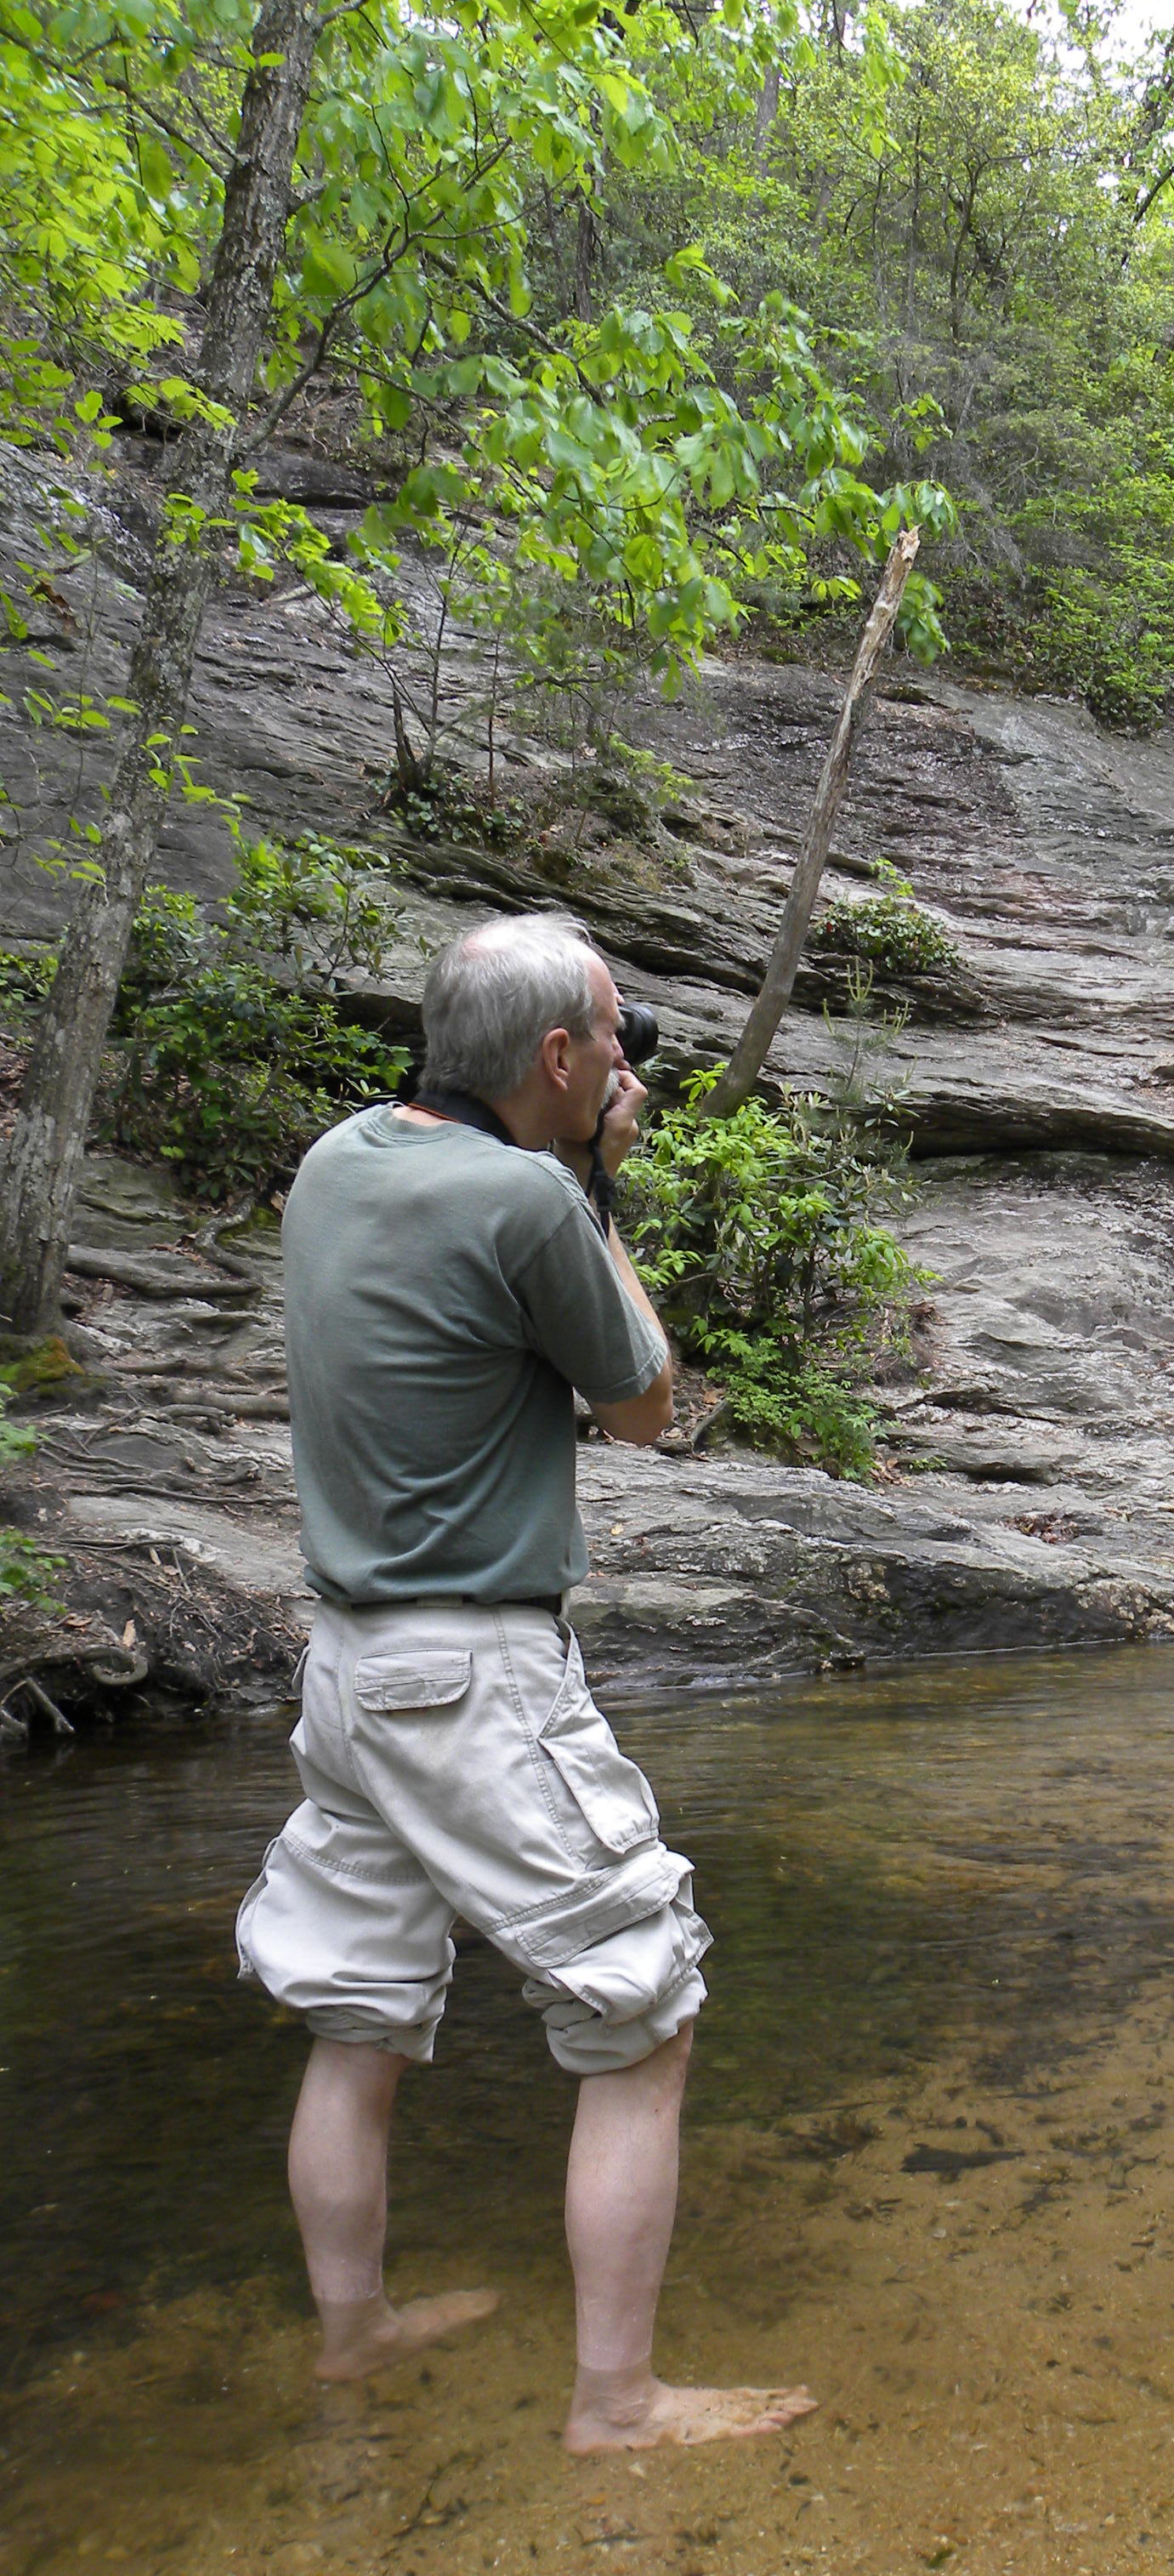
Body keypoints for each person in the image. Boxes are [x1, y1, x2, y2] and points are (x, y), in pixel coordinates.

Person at [236, 911, 814, 2454]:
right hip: (473, 1676)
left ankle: (352, 2339)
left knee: (356, 2015)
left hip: (349, 1670)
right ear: (555, 1059)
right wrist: (593, 1179)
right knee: (647, 2014)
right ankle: (616, 2407)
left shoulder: (338, 1160)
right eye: (614, 1041)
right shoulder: (528, 1199)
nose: (629, 1064)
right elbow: (643, 1403)